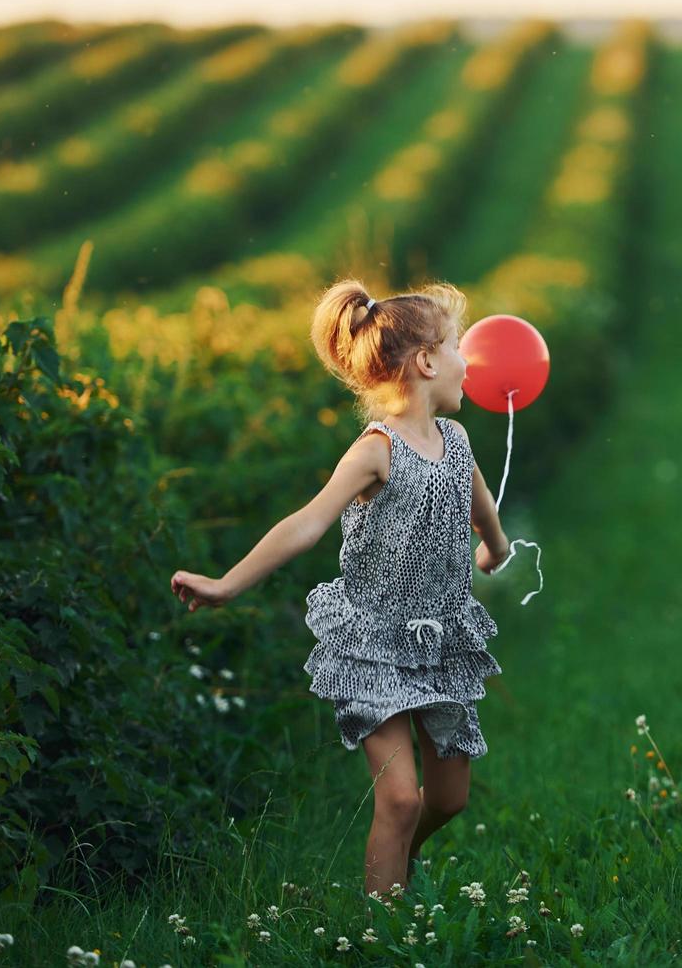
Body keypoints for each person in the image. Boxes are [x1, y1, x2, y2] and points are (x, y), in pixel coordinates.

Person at [169, 277, 511, 907]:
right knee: (401, 798)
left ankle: (400, 861)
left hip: (443, 641)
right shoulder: (375, 451)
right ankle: (382, 932)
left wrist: (494, 545)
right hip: (373, 642)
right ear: (427, 361)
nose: (472, 362)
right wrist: (227, 583)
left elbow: (478, 502)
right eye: (460, 346)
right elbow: (306, 522)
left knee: (449, 799)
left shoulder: (457, 443)